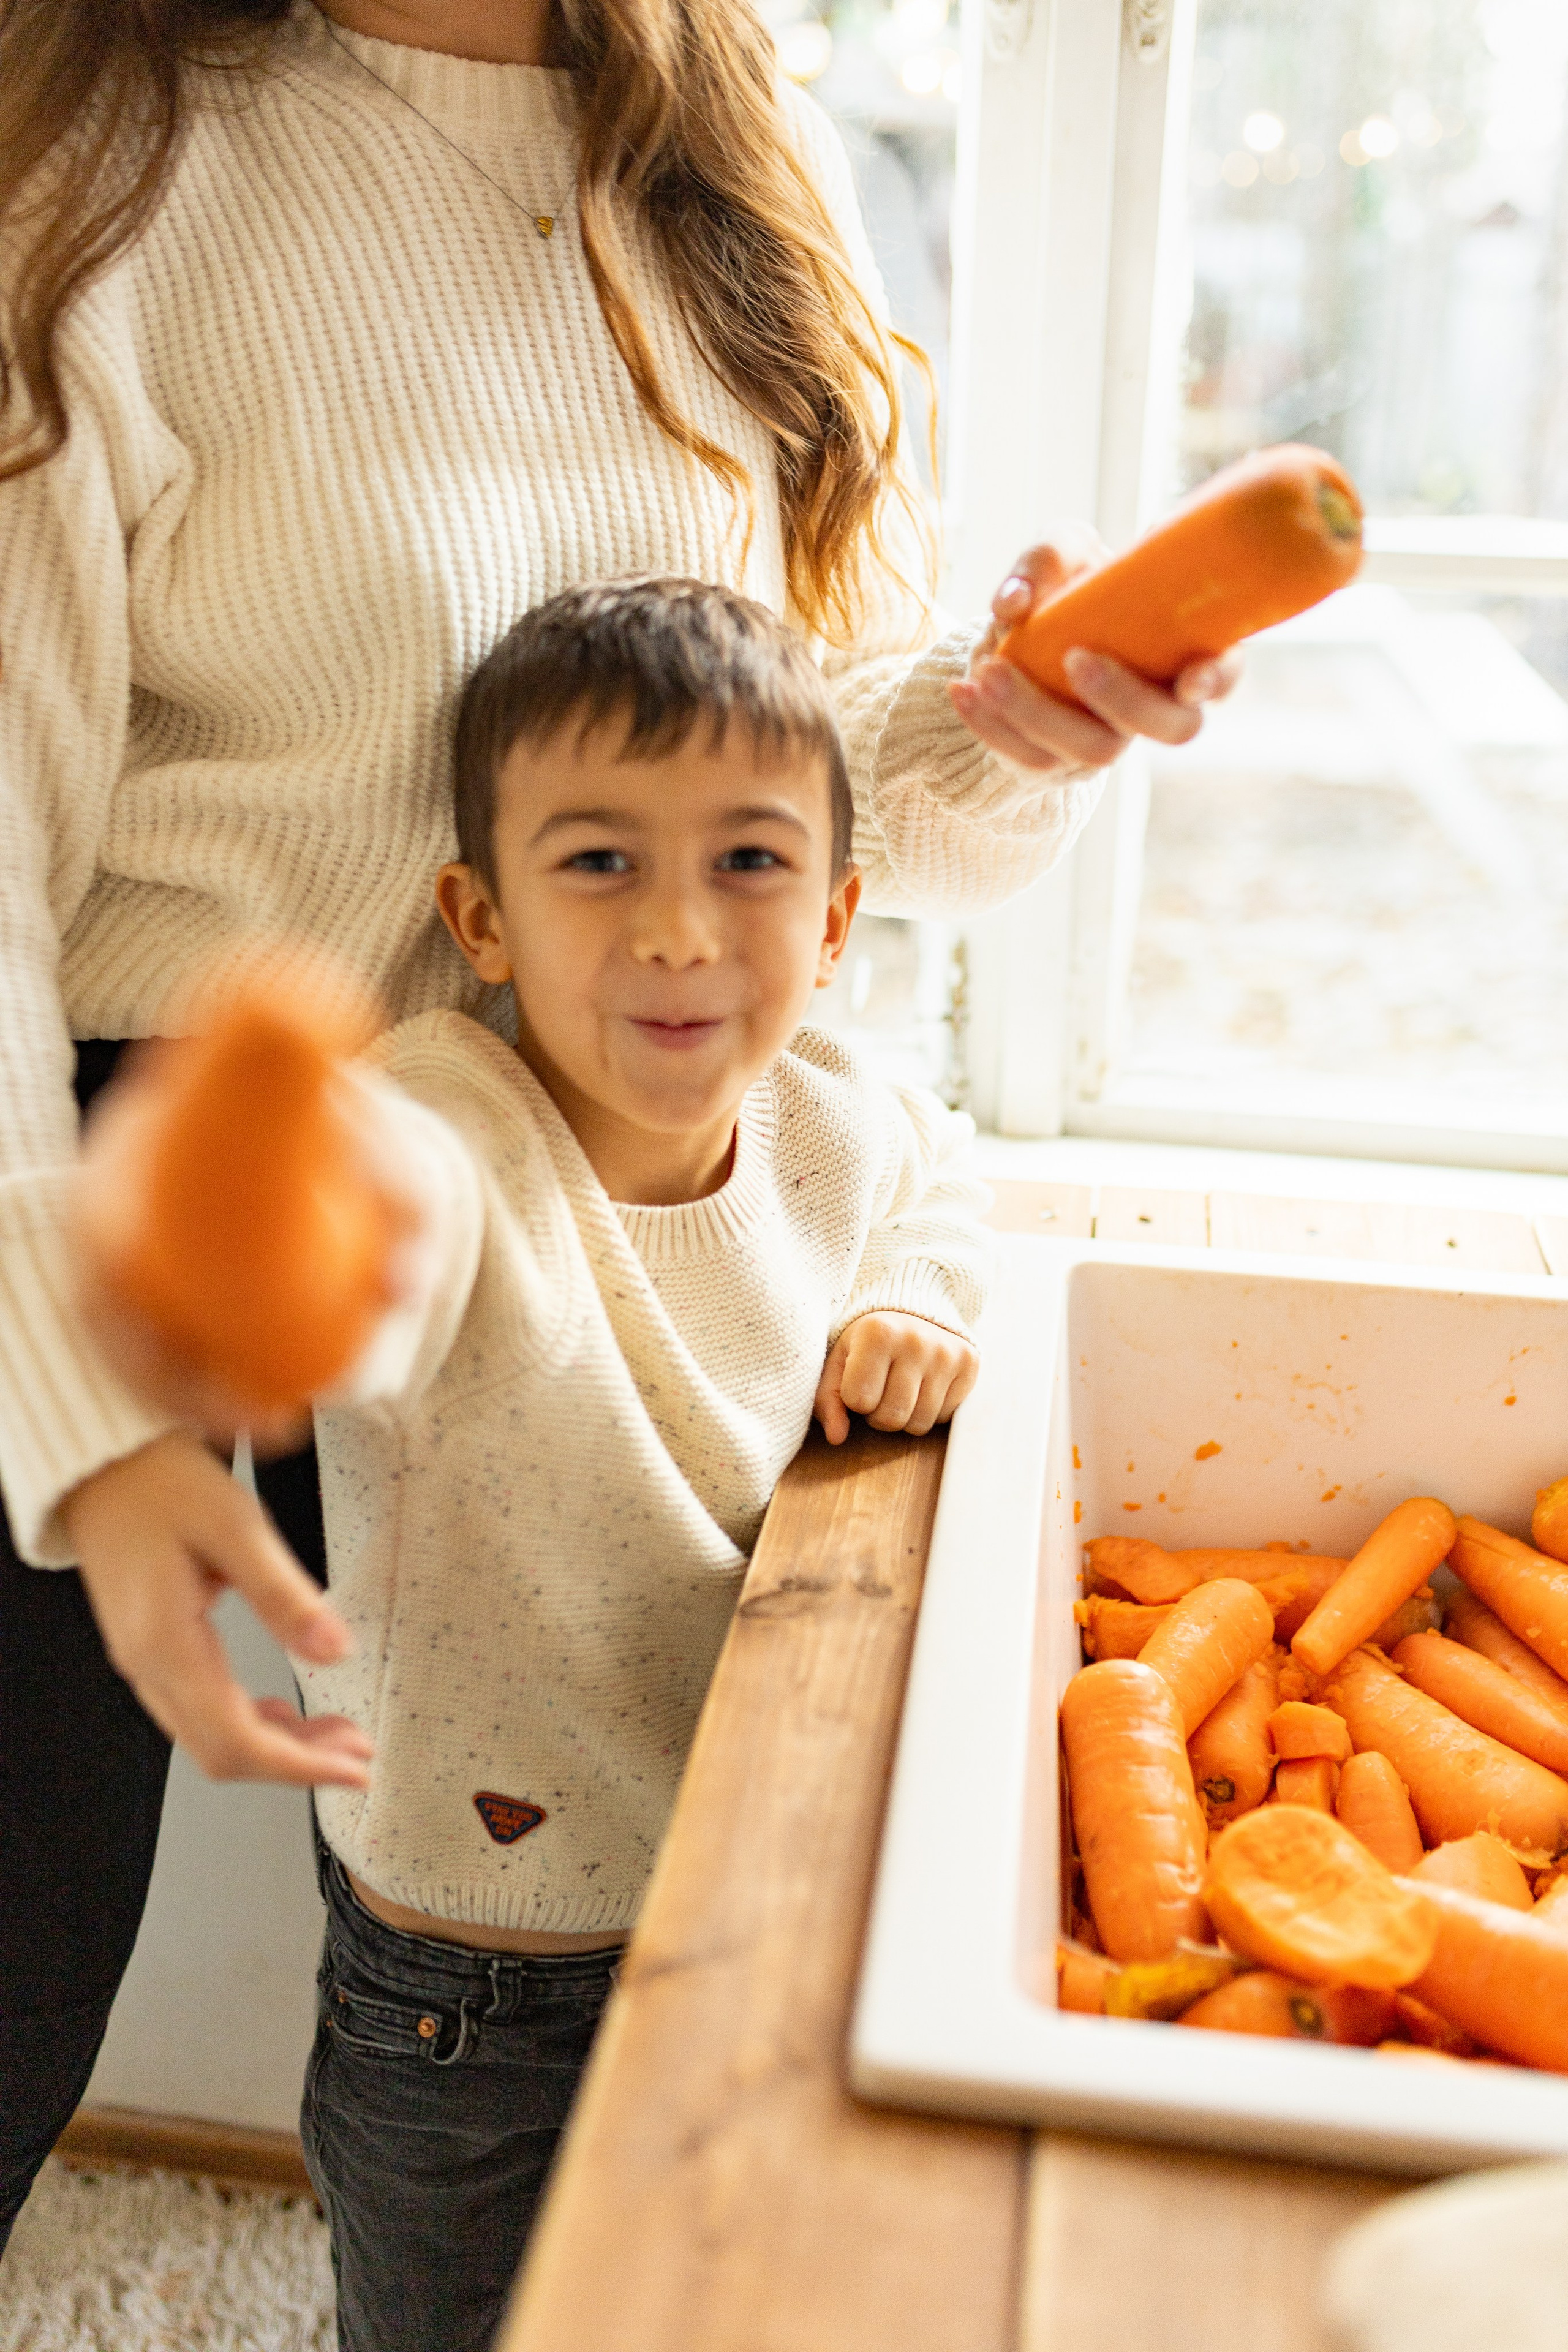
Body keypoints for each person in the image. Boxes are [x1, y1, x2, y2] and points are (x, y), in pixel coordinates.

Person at [0, 0, 1236, 2244]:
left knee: (468, 1921)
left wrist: (1004, 728)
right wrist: (82, 1400)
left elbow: (776, 779)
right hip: (136, 1169)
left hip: (581, 1146)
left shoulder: (739, 141)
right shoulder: (87, 151)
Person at [78, 573, 993, 2348]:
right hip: (473, 1985)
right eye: (598, 865)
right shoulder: (443, 1129)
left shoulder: (834, 1116)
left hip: (760, 1908)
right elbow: (369, 1241)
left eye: (747, 863)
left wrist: (918, 1296)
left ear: (837, 919)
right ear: (477, 919)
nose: (676, 933)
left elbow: (940, 1172)